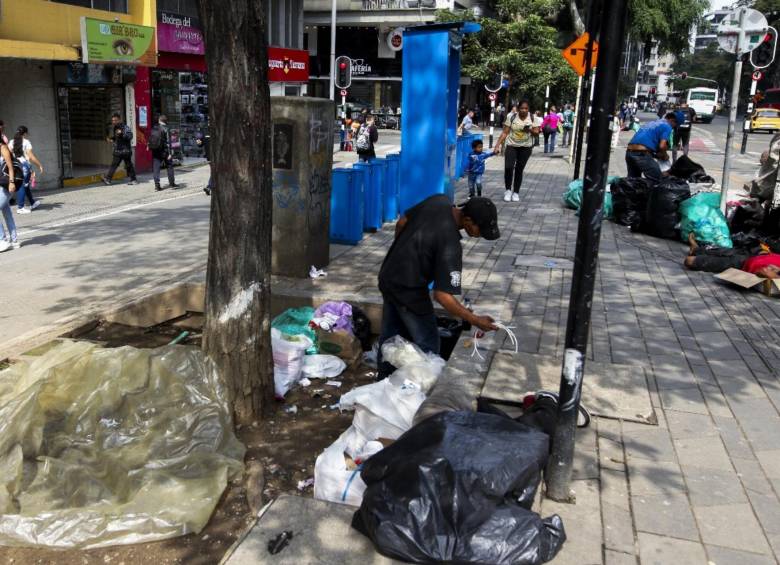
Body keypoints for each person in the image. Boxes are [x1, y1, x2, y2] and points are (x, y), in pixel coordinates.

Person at [376, 195, 500, 379]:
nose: (480, 234)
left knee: (391, 334)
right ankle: (420, 389)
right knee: (429, 344)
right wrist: (475, 319)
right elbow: (442, 296)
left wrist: (405, 253)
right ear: (467, 220)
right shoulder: (451, 246)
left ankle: (383, 379)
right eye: (479, 229)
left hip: (388, 274)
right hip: (409, 290)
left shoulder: (438, 201)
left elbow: (402, 223)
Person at [494, 100, 538, 202]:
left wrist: (530, 130)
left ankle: (516, 192)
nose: (524, 110)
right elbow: (505, 132)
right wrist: (497, 146)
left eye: (526, 108)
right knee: (508, 167)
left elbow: (537, 133)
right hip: (511, 145)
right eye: (522, 108)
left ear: (528, 109)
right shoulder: (512, 117)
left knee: (519, 169)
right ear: (518, 109)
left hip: (526, 147)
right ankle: (508, 190)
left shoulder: (533, 118)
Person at [683, 235, 780, 278]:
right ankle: (696, 249)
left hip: (741, 263)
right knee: (719, 250)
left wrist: (773, 271)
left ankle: (696, 255)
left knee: (690, 261)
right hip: (758, 252)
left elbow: (763, 272)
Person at [625, 112, 677, 184]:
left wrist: (656, 155)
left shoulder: (651, 123)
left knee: (633, 182)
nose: (674, 128)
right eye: (675, 125)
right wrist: (664, 155)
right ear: (672, 120)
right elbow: (662, 146)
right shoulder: (667, 126)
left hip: (629, 152)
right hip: (641, 154)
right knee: (657, 180)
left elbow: (648, 143)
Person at [9, 126, 43, 213]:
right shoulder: (26, 142)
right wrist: (39, 165)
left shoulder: (12, 142)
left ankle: (32, 203)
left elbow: (9, 155)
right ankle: (20, 207)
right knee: (22, 186)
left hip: (15, 166)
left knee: (25, 185)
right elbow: (31, 156)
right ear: (25, 133)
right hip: (24, 166)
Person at [102, 113, 137, 186]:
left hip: (125, 150)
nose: (114, 122)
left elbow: (130, 136)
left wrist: (122, 134)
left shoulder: (125, 127)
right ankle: (133, 179)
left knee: (128, 165)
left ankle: (133, 180)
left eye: (115, 120)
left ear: (119, 120)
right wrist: (112, 139)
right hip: (118, 150)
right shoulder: (116, 128)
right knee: (115, 165)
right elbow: (117, 138)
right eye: (113, 120)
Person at [0, 138, 20, 251]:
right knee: (6, 212)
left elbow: (11, 167)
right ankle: (14, 240)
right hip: (0, 186)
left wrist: (12, 182)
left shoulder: (3, 147)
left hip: (6, 185)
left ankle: (2, 240)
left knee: (5, 211)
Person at [149, 114, 177, 191]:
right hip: (164, 151)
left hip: (156, 150)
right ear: (165, 121)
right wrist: (170, 153)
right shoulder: (166, 128)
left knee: (156, 168)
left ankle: (157, 185)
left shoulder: (154, 127)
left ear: (159, 120)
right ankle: (172, 184)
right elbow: (168, 142)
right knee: (169, 166)